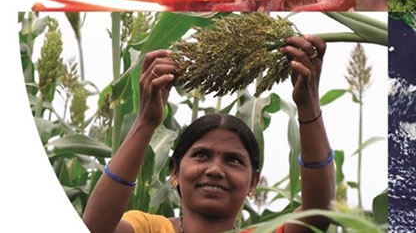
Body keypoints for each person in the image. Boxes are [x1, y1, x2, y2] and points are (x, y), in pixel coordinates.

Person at [82, 35, 334, 233]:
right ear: (174, 172)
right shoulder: (148, 228)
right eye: (202, 155)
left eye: (233, 160)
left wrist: (308, 104)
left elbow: (319, 213)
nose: (215, 169)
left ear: (253, 182)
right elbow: (94, 228)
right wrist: (145, 122)